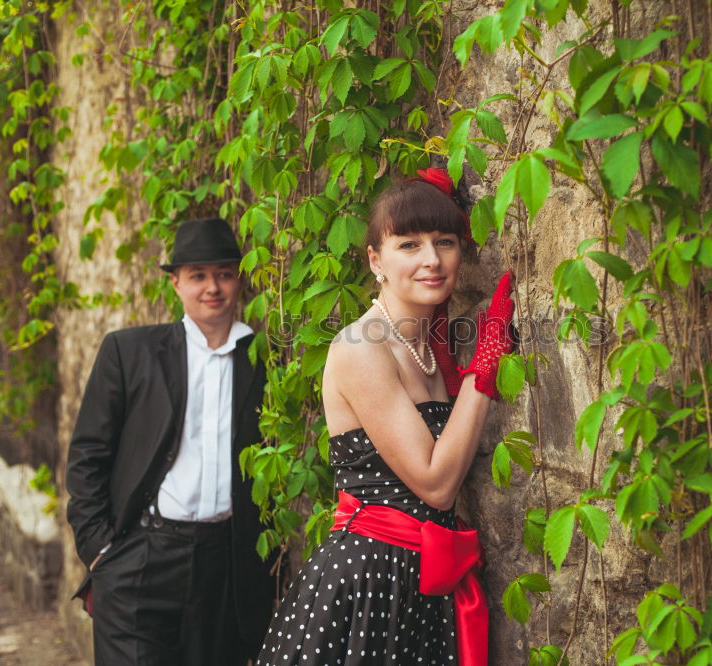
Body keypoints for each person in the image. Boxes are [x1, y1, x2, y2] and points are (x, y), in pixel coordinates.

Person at [256, 168, 515, 666]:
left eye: (444, 241)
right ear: (376, 260)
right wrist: (485, 369)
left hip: (428, 586)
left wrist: (469, 372)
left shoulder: (430, 349)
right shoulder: (361, 348)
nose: (432, 260)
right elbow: (436, 484)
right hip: (369, 582)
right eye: (409, 245)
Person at [65, 216, 278, 665]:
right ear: (176, 283)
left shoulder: (261, 360)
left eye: (223, 274)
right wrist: (99, 549)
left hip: (225, 567)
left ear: (238, 280)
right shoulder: (129, 352)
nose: (212, 287)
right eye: (198, 275)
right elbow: (88, 455)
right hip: (141, 557)